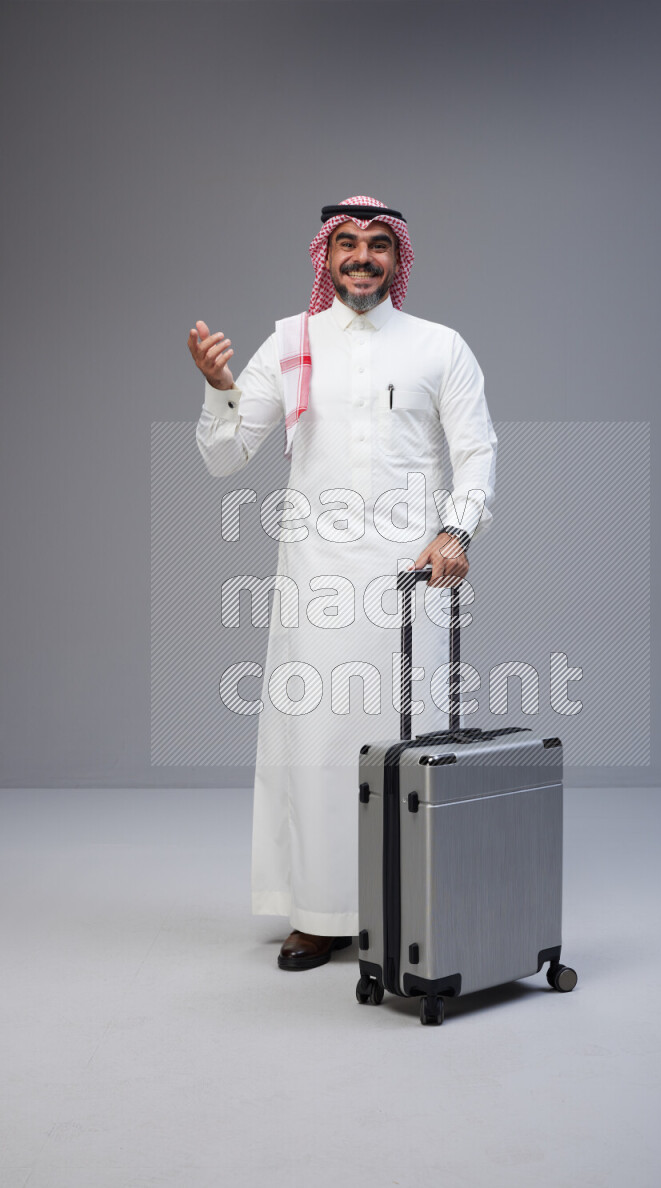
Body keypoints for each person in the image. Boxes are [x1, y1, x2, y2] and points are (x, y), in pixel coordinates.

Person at [190, 195, 497, 970]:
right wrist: (218, 385)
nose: (362, 258)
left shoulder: (440, 346)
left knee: (413, 735)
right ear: (325, 258)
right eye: (347, 245)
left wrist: (456, 530)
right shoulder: (290, 341)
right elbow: (226, 456)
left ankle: (413, 901)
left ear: (398, 260)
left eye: (377, 246)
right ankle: (321, 912)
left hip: (412, 577)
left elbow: (478, 451)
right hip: (317, 576)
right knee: (320, 741)